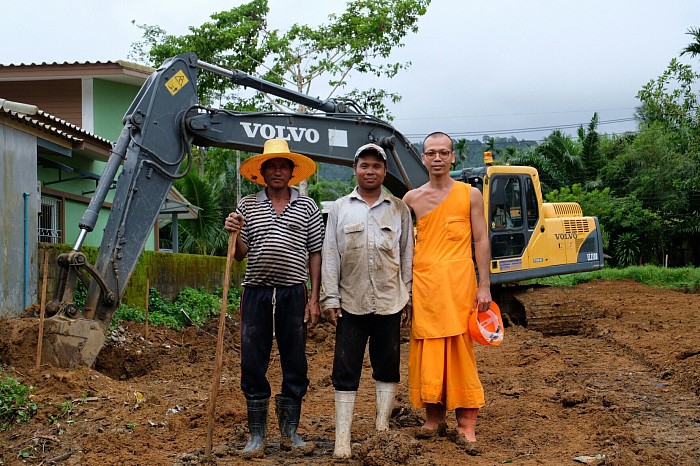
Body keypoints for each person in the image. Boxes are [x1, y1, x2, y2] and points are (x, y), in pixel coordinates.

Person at [224, 138, 324, 458]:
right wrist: (235, 233)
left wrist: (315, 297)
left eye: (284, 166)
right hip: (256, 292)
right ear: (262, 171)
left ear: (292, 172)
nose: (278, 171)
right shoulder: (247, 206)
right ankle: (256, 435)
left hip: (294, 292)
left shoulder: (307, 206)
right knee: (252, 361)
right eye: (272, 166)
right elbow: (240, 256)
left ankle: (289, 432)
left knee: (295, 361)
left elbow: (315, 253)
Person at [321, 143, 414, 459]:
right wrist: (329, 297)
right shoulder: (339, 208)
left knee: (387, 366)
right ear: (355, 169)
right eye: (365, 165)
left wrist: (408, 297)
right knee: (345, 369)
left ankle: (381, 429)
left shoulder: (399, 209)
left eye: (377, 165)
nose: (370, 170)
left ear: (385, 171)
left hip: (390, 301)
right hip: (350, 302)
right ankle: (342, 440)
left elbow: (406, 255)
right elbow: (331, 255)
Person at [402, 131, 492, 452]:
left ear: (453, 157)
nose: (437, 158)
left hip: (459, 284)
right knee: (428, 350)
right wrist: (405, 292)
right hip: (424, 285)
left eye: (443, 152)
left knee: (458, 349)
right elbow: (404, 247)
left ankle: (466, 423)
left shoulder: (470, 195)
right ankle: (433, 418)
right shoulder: (411, 199)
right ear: (423, 158)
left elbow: (480, 240)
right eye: (431, 153)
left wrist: (484, 286)